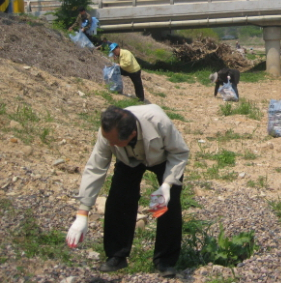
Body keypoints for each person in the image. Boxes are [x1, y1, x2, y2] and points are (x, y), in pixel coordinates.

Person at [65, 105, 190, 278]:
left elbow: (179, 153)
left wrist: (167, 185)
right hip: (128, 159)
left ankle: (165, 261)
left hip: (164, 158)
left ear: (132, 134)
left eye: (114, 142)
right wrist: (82, 213)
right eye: (108, 140)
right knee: (118, 198)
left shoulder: (160, 123)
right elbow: (95, 167)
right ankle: (116, 256)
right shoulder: (108, 132)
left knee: (168, 204)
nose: (109, 144)